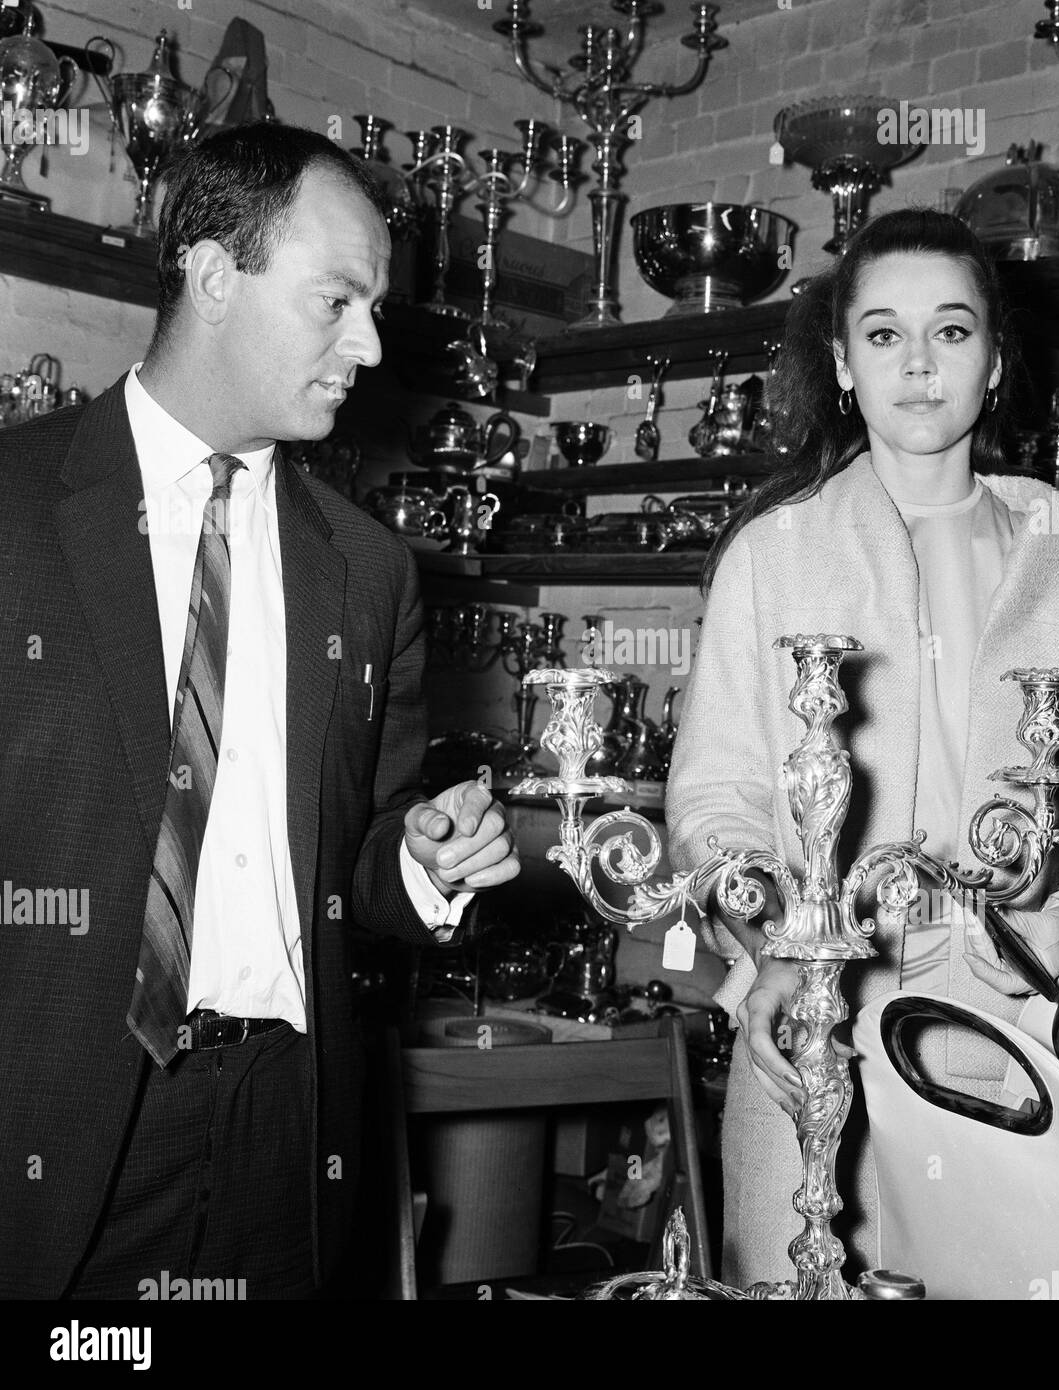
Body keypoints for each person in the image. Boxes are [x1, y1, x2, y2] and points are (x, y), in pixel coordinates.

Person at [0, 123, 519, 1299]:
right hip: (53, 1146)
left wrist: (428, 860)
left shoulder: (366, 571)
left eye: (374, 306)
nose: (371, 343)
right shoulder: (14, 509)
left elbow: (364, 855)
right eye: (338, 298)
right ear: (216, 276)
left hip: (289, 1140)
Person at [665, 208, 1059, 1288]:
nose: (920, 365)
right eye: (884, 335)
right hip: (816, 1028)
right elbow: (714, 803)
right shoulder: (773, 553)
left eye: (951, 331)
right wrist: (770, 949)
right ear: (843, 363)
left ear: (994, 361)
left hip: (1012, 1035)